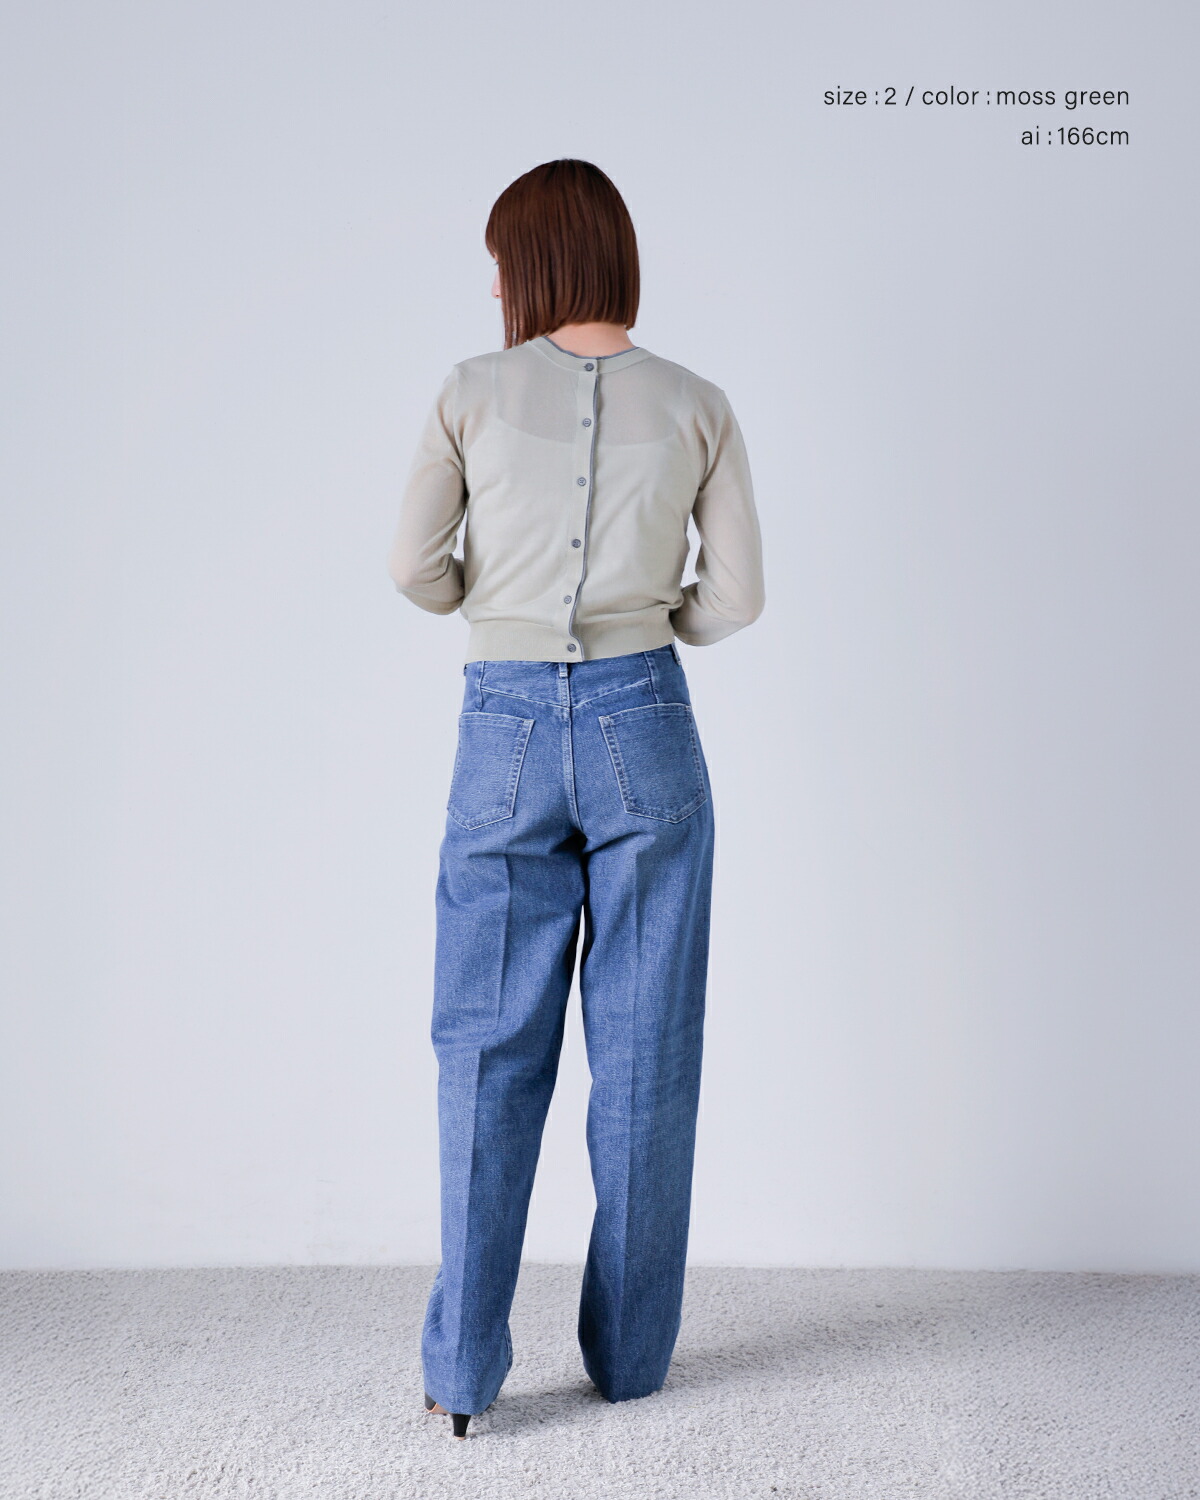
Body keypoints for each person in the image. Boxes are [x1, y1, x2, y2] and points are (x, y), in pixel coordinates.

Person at [387, 158, 765, 1439]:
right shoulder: (699, 402)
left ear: (528, 268)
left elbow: (412, 567)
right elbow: (739, 595)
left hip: (501, 721)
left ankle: (463, 1377)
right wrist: (656, 624)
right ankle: (632, 1360)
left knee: (485, 1046)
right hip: (642, 716)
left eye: (502, 266)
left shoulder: (470, 391)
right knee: (648, 1047)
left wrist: (491, 609)